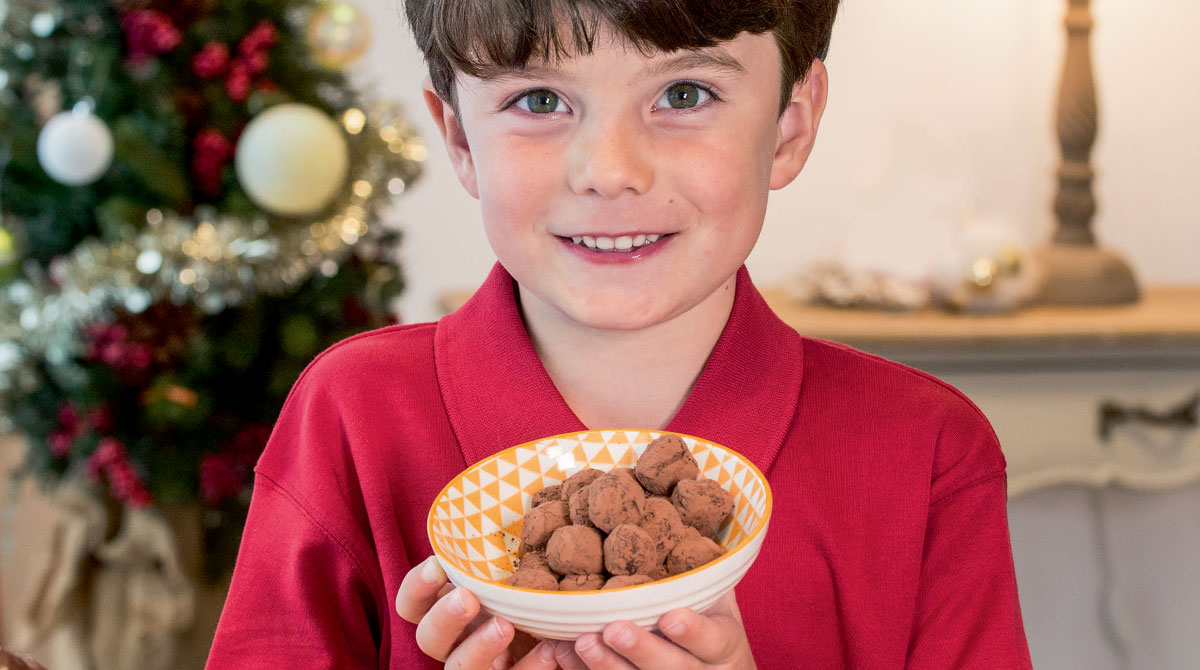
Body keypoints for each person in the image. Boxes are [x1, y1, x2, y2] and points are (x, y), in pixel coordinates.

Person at [207, 1, 1034, 668]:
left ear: (789, 124)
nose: (609, 168)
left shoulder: (925, 453)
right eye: (538, 101)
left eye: (683, 96)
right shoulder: (353, 419)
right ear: (459, 137)